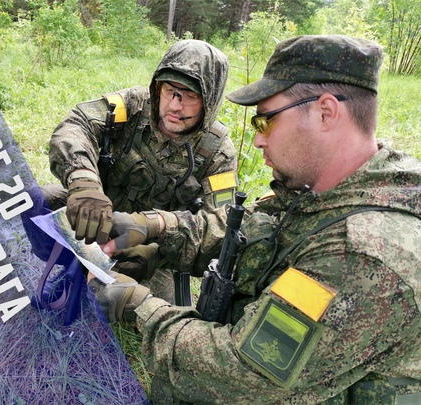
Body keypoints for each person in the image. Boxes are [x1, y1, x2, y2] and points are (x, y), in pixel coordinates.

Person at [92, 35, 421, 403]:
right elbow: (248, 229)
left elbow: (243, 370)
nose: (257, 140)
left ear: (326, 112)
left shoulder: (363, 254)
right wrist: (156, 227)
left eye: (265, 122)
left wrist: (138, 306)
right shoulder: (322, 191)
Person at [21, 39, 238, 304]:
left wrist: (157, 253)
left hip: (150, 252)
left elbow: (219, 225)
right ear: (158, 86)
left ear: (210, 102)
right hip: (97, 217)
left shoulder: (217, 152)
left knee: (143, 310)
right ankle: (73, 267)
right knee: (36, 200)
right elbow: (77, 124)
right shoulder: (133, 104)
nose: (174, 106)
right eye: (170, 90)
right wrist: (84, 183)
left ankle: (102, 277)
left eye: (190, 96)